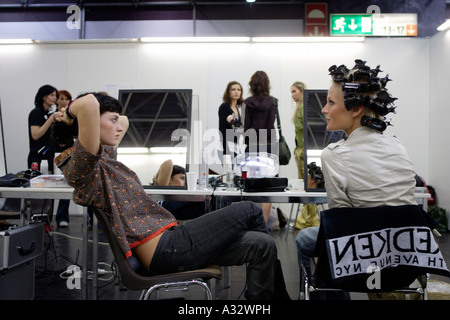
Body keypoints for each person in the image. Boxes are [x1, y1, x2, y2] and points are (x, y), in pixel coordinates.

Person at [52, 92, 289, 300]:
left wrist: (102, 117)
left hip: (171, 238)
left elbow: (120, 117)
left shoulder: (103, 158)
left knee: (262, 244)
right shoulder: (82, 166)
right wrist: (71, 115)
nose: (119, 126)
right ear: (89, 123)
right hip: (166, 250)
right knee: (249, 209)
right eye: (111, 121)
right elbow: (90, 104)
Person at [296, 59, 418, 299]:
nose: (324, 109)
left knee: (305, 238)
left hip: (363, 260)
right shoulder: (398, 146)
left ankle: (326, 293)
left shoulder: (333, 154)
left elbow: (340, 227)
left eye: (331, 102)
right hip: (407, 260)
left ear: (355, 109)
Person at [244, 71, 277, 222]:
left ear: (252, 84)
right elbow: (272, 123)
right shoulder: (272, 102)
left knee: (250, 185)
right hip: (269, 145)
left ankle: (250, 221)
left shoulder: (248, 103)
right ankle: (263, 222)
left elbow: (247, 126)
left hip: (252, 145)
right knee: (267, 186)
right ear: (267, 84)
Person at [28, 84, 59, 173]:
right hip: (38, 157)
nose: (55, 98)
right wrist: (50, 120)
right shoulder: (36, 113)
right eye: (52, 95)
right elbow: (35, 135)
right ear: (44, 97)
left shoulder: (46, 113)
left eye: (55, 96)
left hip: (49, 155)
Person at [54, 90, 74, 227]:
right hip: (54, 154)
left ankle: (63, 216)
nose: (64, 101)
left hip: (69, 153)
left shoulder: (72, 118)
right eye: (61, 98)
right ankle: (56, 216)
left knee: (66, 185)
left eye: (67, 99)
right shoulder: (52, 117)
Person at [218, 81, 245, 158]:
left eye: (238, 90)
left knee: (236, 169)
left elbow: (240, 130)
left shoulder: (238, 109)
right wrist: (227, 152)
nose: (236, 92)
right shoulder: (224, 107)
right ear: (228, 92)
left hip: (235, 147)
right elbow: (221, 130)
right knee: (229, 170)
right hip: (226, 147)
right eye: (233, 89)